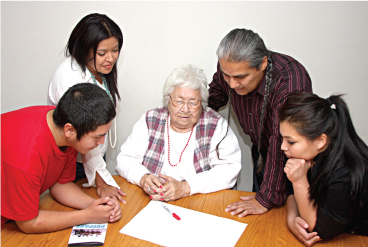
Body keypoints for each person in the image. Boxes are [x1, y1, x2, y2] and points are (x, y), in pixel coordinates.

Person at [208, 28, 312, 217]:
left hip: (293, 162)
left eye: (240, 77)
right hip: (263, 153)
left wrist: (266, 197)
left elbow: (280, 140)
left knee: (285, 222)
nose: (232, 84)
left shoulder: (290, 82)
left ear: (263, 63)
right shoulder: (230, 68)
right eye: (226, 75)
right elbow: (216, 93)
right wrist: (189, 112)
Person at [1, 83, 122, 233]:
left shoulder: (64, 126)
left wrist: (98, 206)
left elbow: (60, 184)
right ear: (69, 130)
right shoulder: (26, 157)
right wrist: (87, 216)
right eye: (98, 137)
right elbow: (29, 223)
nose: (102, 142)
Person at [116, 64, 241, 201]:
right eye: (179, 101)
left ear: (202, 103)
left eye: (193, 102)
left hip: (201, 202)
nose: (185, 109)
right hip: (153, 201)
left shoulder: (216, 125)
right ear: (167, 100)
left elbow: (229, 169)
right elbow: (125, 160)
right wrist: (143, 178)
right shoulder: (151, 120)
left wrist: (186, 188)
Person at [47, 13, 126, 203]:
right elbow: (83, 132)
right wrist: (101, 181)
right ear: (84, 49)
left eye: (115, 50)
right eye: (102, 53)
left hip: (93, 153)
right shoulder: (70, 80)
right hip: (75, 161)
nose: (110, 58)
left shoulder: (98, 68)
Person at [279, 92, 368, 246]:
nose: (283, 147)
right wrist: (292, 219)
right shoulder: (309, 154)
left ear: (320, 141)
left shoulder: (345, 173)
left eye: (291, 141)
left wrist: (299, 180)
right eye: (283, 138)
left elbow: (318, 230)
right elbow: (291, 195)